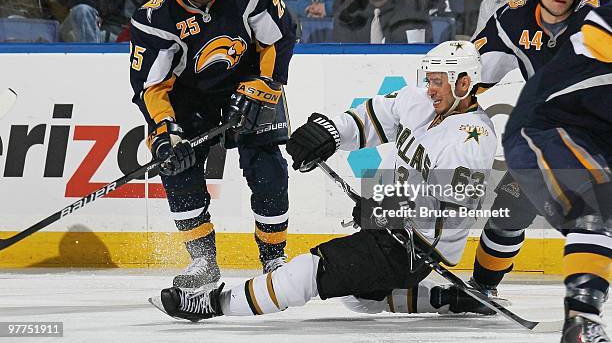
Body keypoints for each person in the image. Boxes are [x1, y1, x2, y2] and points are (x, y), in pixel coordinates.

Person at [148, 40, 499, 322]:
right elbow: (371, 117)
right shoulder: (421, 104)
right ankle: (446, 299)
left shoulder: (472, 137)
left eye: (439, 82)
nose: (430, 88)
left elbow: (453, 212)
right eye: (430, 79)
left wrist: (385, 210)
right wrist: (329, 133)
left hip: (414, 248)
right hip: (389, 231)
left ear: (464, 83)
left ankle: (213, 304)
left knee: (310, 271)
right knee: (357, 297)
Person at [129, 0, 297, 290]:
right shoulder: (155, 15)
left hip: (249, 80)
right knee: (177, 166)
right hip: (190, 95)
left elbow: (280, 36)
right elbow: (151, 86)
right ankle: (203, 260)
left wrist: (265, 85)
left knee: (267, 165)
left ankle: (274, 257)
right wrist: (165, 129)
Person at [466, 0, 610, 304]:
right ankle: (482, 286)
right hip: (552, 133)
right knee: (513, 205)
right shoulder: (511, 19)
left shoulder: (600, 15)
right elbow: (473, 71)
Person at [502, 3, 611, 342]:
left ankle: (579, 317)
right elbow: (597, 29)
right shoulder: (604, 10)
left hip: (593, 142)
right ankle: (581, 320)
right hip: (547, 127)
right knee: (596, 206)